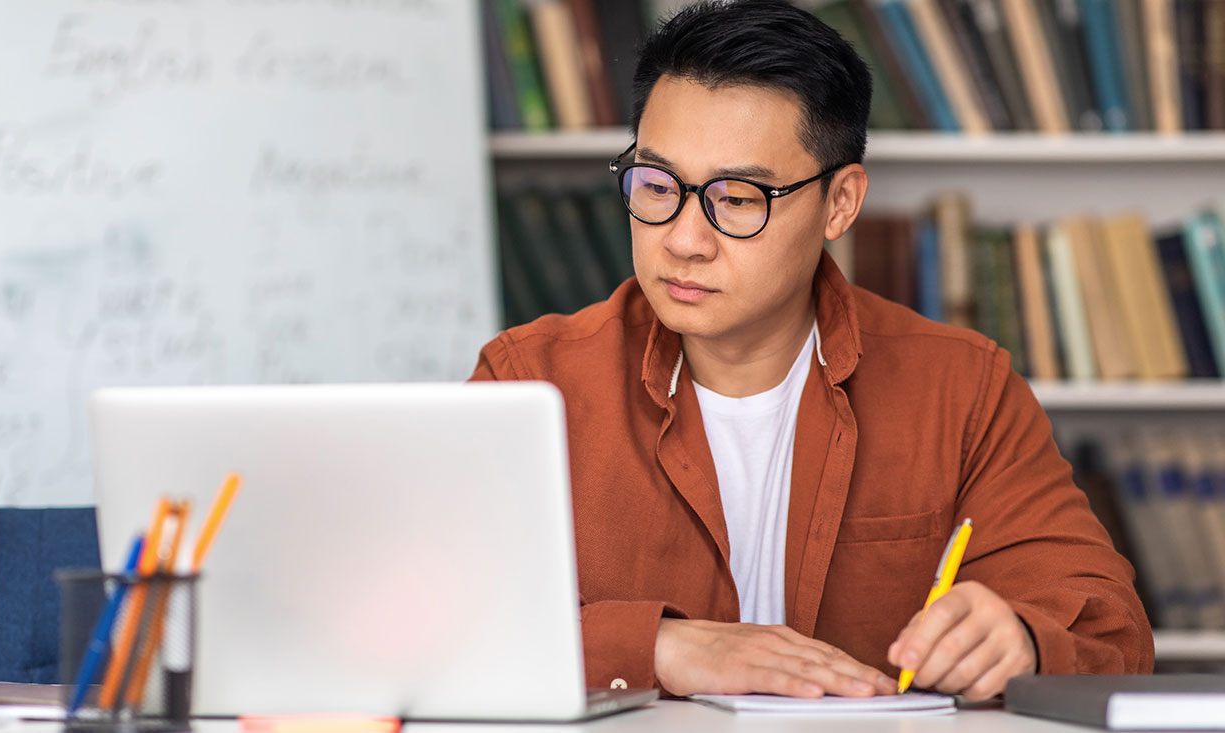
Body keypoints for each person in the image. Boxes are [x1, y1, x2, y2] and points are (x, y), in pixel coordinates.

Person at [470, 0, 1152, 701]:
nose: (682, 238)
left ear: (840, 203)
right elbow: (430, 626)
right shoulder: (531, 382)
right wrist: (661, 646)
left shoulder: (961, 388)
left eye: (736, 198)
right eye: (657, 185)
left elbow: (1112, 632)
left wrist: (1025, 639)